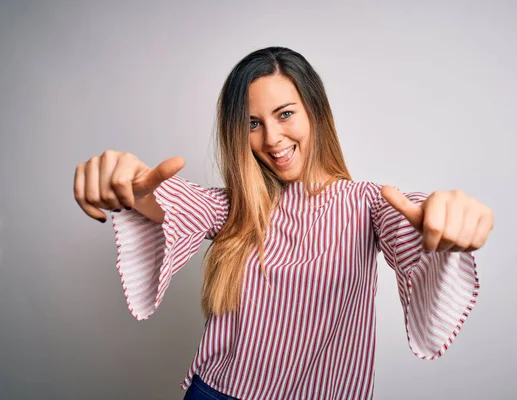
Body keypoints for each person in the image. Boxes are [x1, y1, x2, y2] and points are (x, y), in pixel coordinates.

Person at [73, 46, 494, 400]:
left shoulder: (367, 204)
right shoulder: (236, 206)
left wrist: (446, 220)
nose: (271, 138)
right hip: (218, 392)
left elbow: (414, 226)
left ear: (314, 111)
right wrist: (128, 185)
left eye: (285, 114)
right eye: (253, 123)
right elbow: (167, 203)